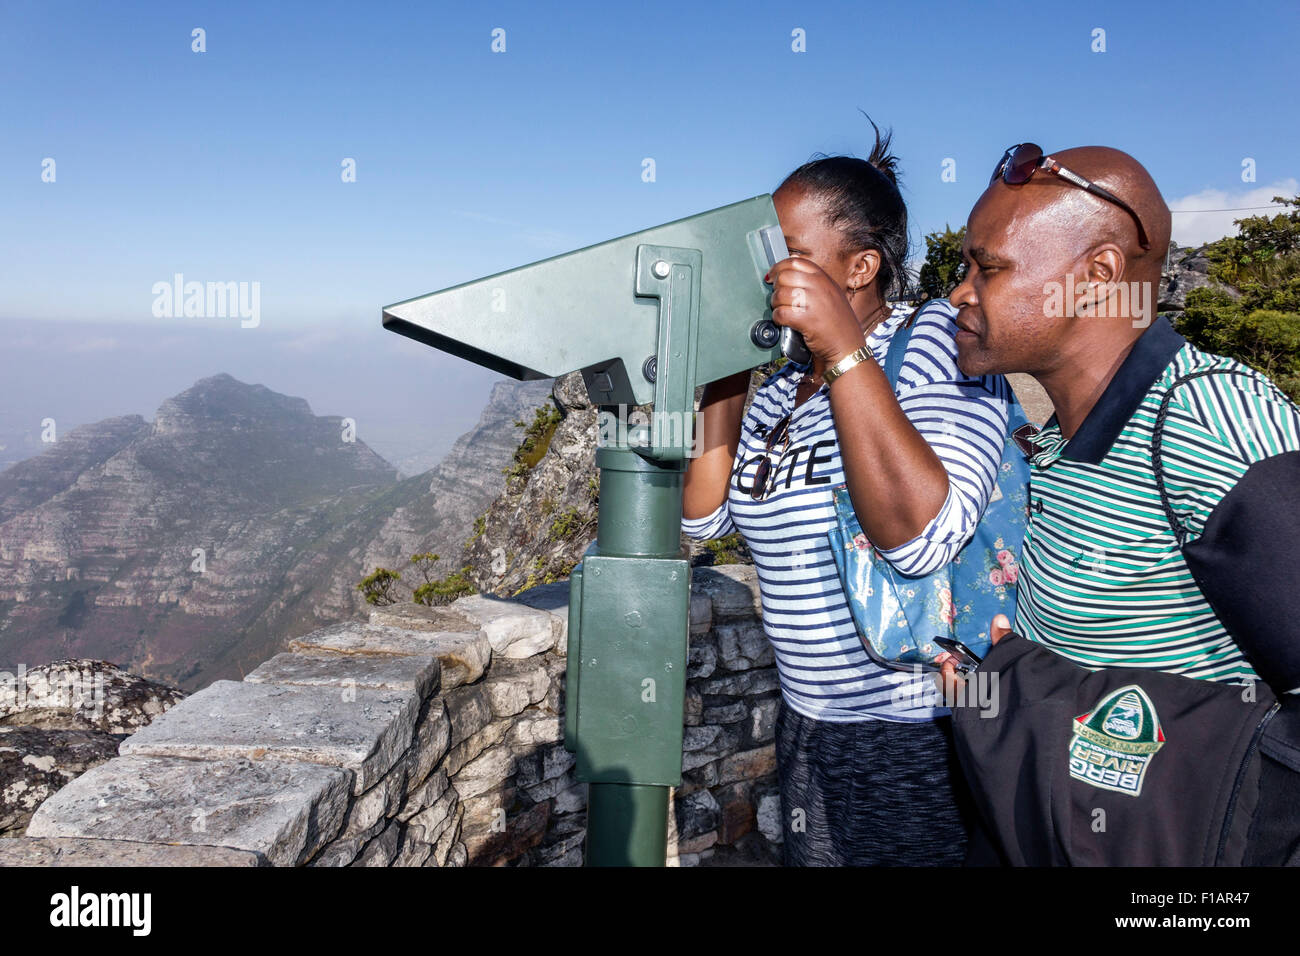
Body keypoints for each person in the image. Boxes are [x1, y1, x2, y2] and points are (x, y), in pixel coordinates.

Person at [939, 144, 1300, 865]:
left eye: (989, 268)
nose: (960, 293)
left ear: (1097, 277)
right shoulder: (1053, 439)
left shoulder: (1205, 420)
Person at [681, 122, 1021, 866]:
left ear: (861, 265)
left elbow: (925, 534)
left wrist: (842, 350)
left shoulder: (934, 341)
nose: (768, 275)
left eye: (789, 257)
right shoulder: (779, 394)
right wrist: (721, 360)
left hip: (918, 726)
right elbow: (702, 519)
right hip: (810, 720)